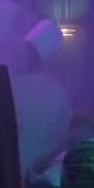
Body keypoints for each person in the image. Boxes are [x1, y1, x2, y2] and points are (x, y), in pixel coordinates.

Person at [11, 20, 72, 179]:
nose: (20, 54)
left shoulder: (11, 85)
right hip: (35, 171)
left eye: (26, 50)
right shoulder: (57, 91)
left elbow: (64, 137)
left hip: (34, 172)